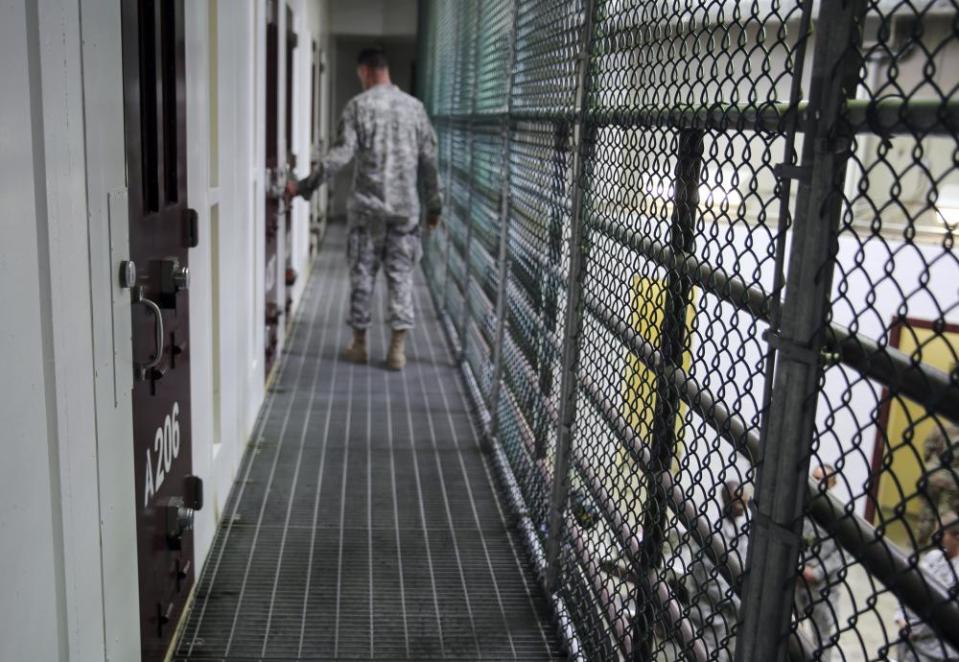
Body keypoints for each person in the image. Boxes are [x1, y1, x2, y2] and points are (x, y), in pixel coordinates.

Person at [287, 47, 442, 370]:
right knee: (401, 278)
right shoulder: (415, 109)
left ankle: (359, 344)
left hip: (367, 213)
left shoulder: (359, 107)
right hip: (405, 212)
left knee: (362, 276)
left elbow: (341, 155)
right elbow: (429, 161)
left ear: (366, 72)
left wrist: (305, 186)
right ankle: (397, 350)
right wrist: (434, 205)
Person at [686, 479, 751, 662]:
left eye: (743, 498)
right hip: (709, 614)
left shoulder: (744, 532)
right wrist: (740, 603)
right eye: (736, 499)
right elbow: (711, 580)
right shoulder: (711, 534)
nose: (741, 503)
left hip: (732, 616)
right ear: (725, 500)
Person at [895, 511, 959, 661]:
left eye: (941, 535)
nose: (935, 539)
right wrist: (901, 619)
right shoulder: (933, 557)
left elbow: (944, 615)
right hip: (909, 643)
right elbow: (909, 589)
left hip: (939, 651)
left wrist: (915, 630)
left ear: (957, 537)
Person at [795, 464, 843, 660]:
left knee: (822, 637)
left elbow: (841, 555)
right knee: (793, 629)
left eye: (823, 480)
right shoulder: (801, 507)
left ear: (832, 484)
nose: (817, 484)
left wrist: (817, 573)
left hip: (823, 585)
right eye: (814, 478)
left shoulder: (839, 514)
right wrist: (799, 567)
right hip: (797, 580)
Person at [917, 420, 959, 548]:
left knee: (927, 510)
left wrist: (933, 464)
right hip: (953, 480)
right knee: (945, 515)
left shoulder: (941, 426)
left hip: (932, 475)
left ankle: (920, 543)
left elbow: (927, 448)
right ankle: (939, 547)